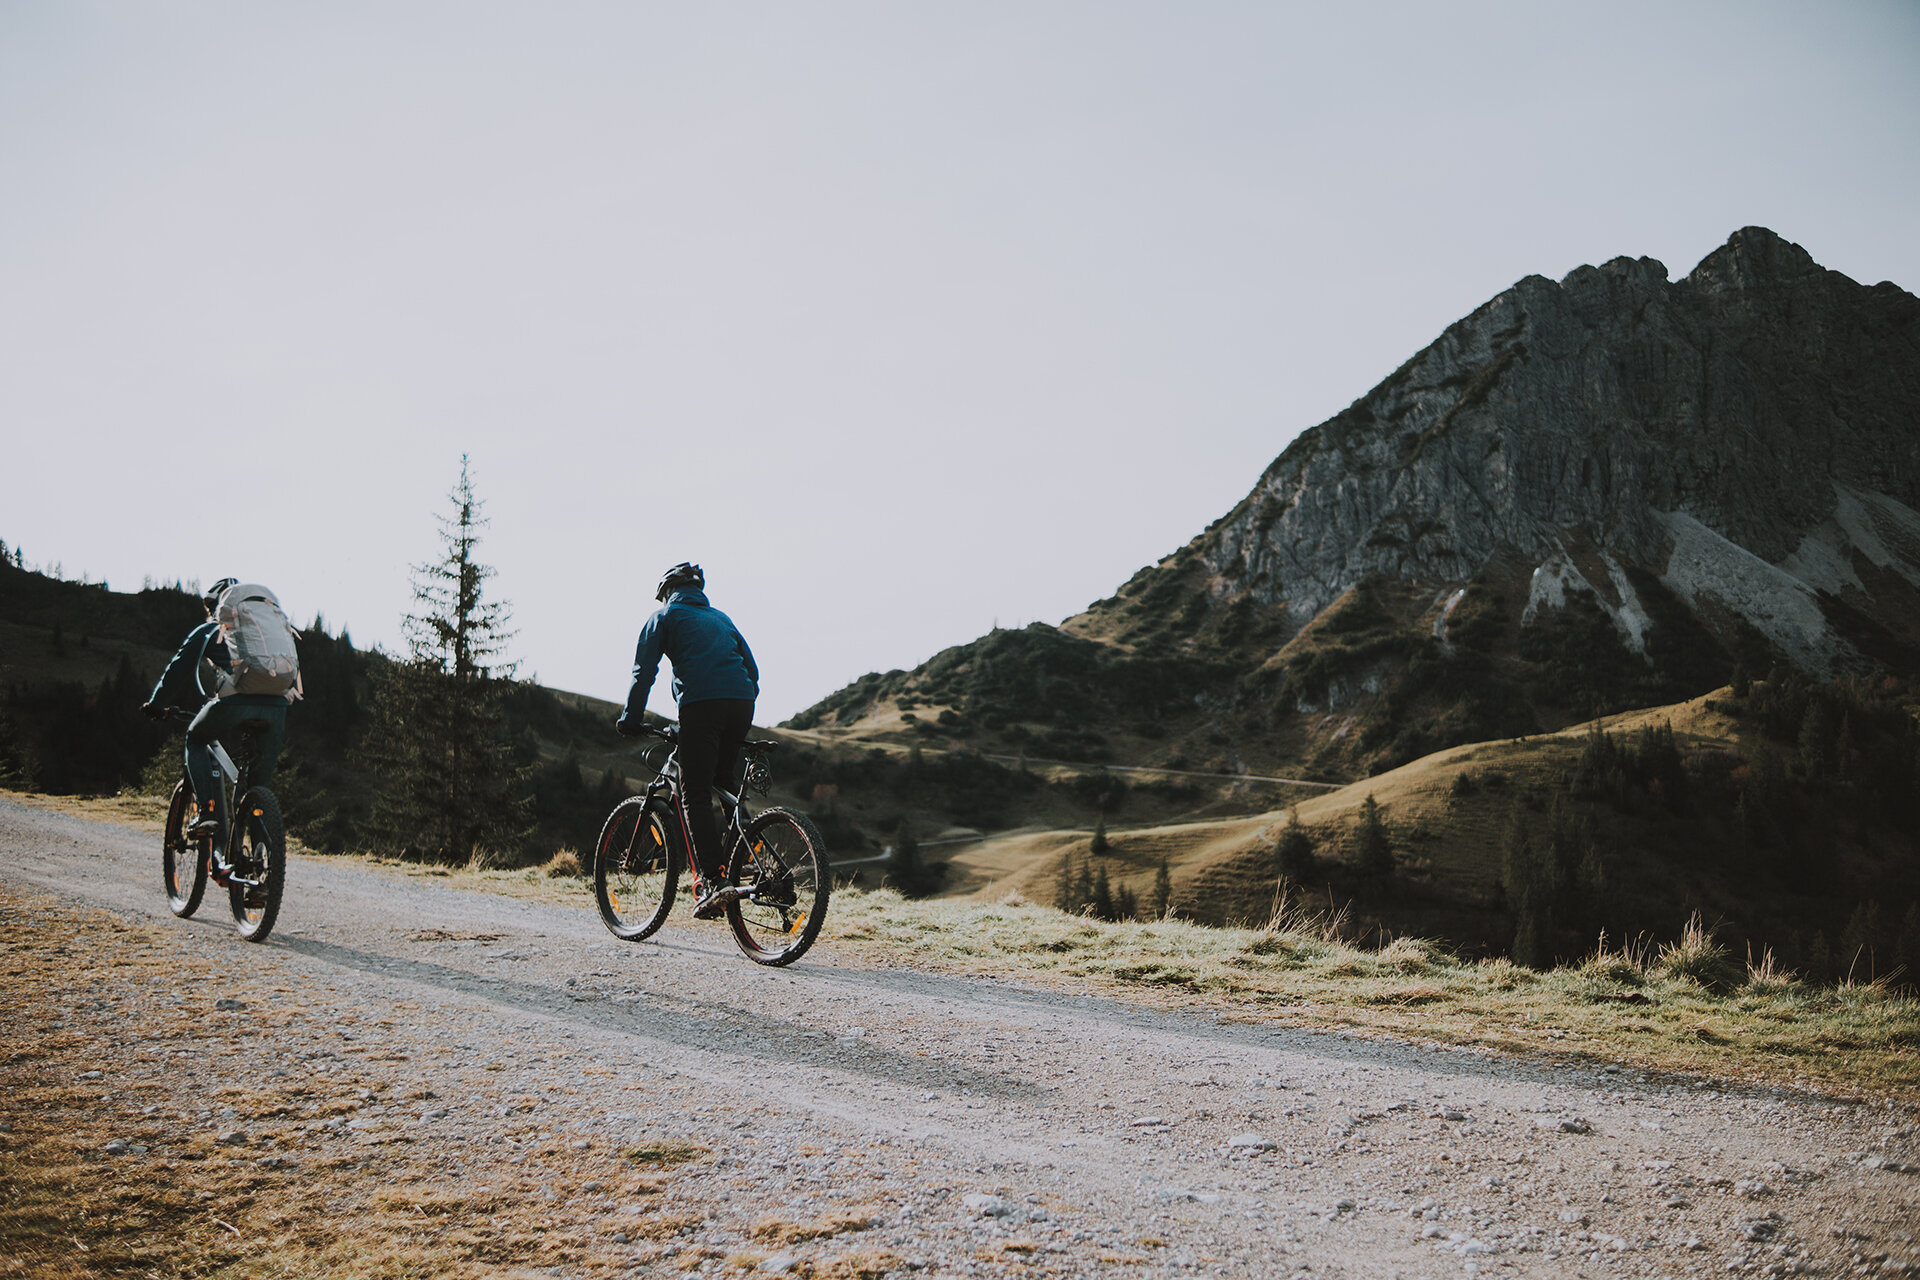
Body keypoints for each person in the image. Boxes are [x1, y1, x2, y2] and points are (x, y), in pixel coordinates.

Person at [615, 562, 760, 919]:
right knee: (723, 782)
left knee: (693, 790)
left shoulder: (664, 617)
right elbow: (753, 673)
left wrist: (631, 719)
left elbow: (643, 671)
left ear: (667, 592)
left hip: (702, 707)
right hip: (742, 704)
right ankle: (752, 860)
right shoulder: (721, 619)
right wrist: (734, 705)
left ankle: (714, 881)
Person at [143, 578, 299, 862]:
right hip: (277, 709)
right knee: (256, 791)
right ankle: (261, 872)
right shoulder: (266, 634)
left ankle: (206, 812)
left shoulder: (211, 629)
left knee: (196, 737)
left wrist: (156, 704)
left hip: (235, 703)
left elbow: (179, 668)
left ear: (217, 607)